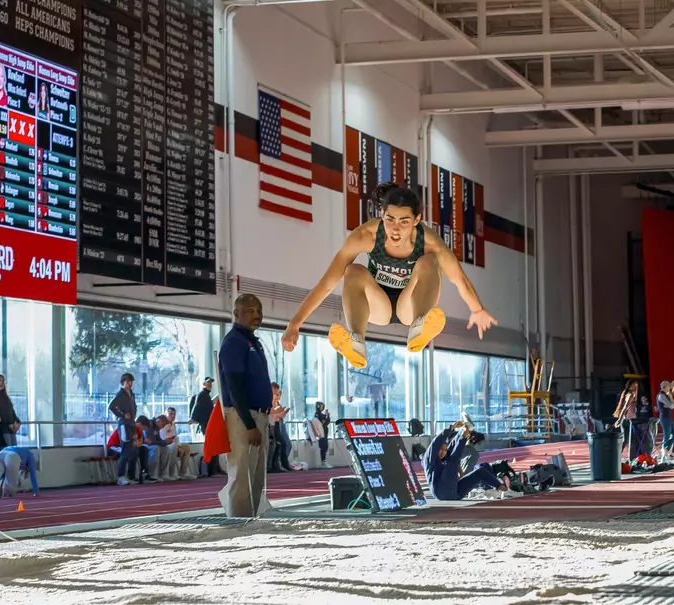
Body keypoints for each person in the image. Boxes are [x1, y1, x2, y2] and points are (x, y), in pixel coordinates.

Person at [280, 183, 498, 368]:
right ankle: (357, 341)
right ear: (382, 215)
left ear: (416, 220)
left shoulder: (430, 242)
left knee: (430, 261)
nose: (395, 230)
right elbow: (328, 282)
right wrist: (295, 323)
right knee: (352, 270)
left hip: (409, 305)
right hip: (377, 307)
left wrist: (476, 309)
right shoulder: (366, 235)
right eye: (390, 220)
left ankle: (419, 325)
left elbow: (458, 278)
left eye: (404, 222)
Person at [218, 294, 272, 518]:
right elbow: (234, 387)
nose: (257, 314)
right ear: (236, 314)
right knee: (242, 476)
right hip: (243, 417)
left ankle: (252, 520)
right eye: (250, 310)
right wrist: (249, 425)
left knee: (256, 477)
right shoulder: (234, 342)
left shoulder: (252, 342)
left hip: (259, 416)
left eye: (259, 310)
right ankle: (237, 524)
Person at [424, 422, 504, 501]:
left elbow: (452, 446)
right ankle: (464, 435)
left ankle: (500, 487)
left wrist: (462, 432)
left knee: (480, 471)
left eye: (445, 450)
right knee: (453, 460)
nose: (443, 452)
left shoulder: (446, 457)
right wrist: (451, 427)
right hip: (440, 492)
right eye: (440, 449)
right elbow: (436, 443)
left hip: (454, 494)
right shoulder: (430, 459)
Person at [108, 373, 138, 486]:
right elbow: (111, 406)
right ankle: (120, 476)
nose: (130, 384)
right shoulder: (120, 394)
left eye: (131, 382)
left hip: (131, 424)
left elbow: (134, 407)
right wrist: (122, 414)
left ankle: (131, 475)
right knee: (126, 449)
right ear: (123, 382)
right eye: (128, 381)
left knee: (133, 450)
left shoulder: (132, 394)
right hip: (124, 424)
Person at [190, 377, 223, 476]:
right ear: (204, 384)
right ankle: (212, 470)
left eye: (211, 383)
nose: (210, 384)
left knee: (213, 446)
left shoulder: (206, 396)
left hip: (209, 424)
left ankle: (214, 469)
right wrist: (192, 418)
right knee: (212, 446)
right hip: (206, 425)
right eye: (208, 382)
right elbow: (197, 406)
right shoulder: (202, 395)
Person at [0, 373, 21, 446]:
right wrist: (10, 423)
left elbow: (12, 412)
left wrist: (17, 422)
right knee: (8, 451)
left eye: (3, 381)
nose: (1, 383)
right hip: (2, 430)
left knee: (14, 450)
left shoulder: (6, 397)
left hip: (11, 429)